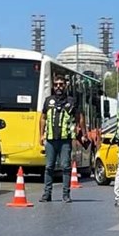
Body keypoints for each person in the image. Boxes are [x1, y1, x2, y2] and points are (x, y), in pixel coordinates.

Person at [39, 75, 84, 203]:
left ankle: (66, 194)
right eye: (56, 84)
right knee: (49, 167)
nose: (59, 87)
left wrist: (81, 131)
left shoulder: (71, 101)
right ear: (53, 86)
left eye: (61, 84)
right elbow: (43, 118)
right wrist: (41, 135)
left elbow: (79, 116)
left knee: (65, 167)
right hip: (51, 139)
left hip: (65, 140)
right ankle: (47, 194)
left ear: (66, 86)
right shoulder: (48, 101)